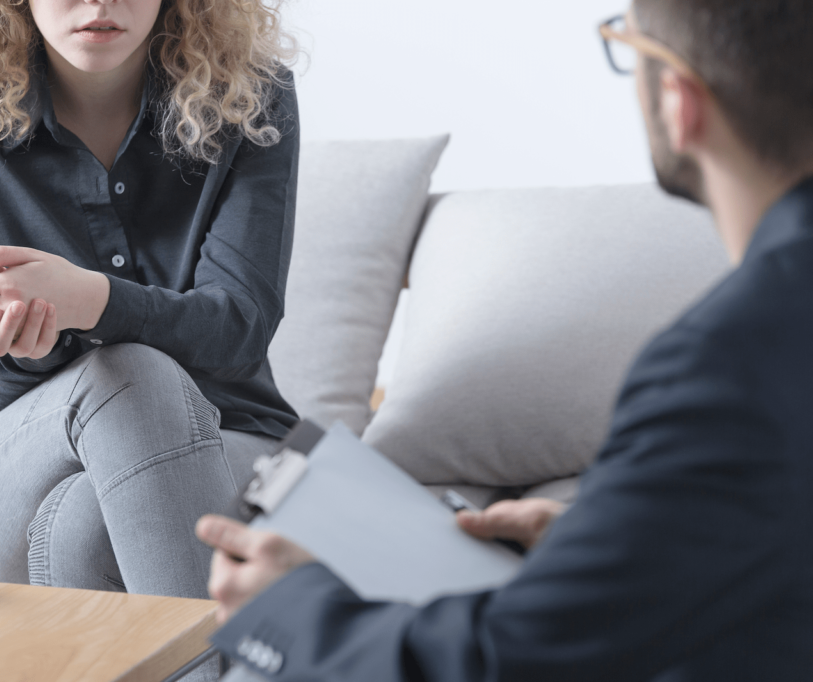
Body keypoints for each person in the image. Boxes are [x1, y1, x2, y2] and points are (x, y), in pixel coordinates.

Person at [196, 0, 813, 678]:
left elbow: (501, 663)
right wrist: (606, 546)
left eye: (626, 45)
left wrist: (291, 606)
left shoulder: (729, 365)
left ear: (679, 99)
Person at [0, 0, 299, 599]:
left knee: (87, 529)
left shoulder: (251, 99)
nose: (99, 4)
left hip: (236, 435)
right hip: (11, 472)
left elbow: (239, 329)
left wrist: (92, 300)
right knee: (128, 374)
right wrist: (27, 350)